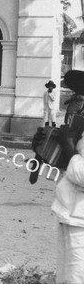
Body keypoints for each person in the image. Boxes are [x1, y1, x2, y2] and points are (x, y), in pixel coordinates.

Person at [51, 69, 84, 283]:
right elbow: (69, 168)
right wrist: (49, 149)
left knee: (75, 278)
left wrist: (69, 149)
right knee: (66, 277)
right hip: (70, 213)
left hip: (81, 219)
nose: (78, 106)